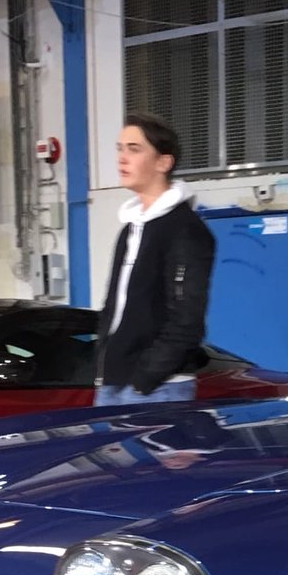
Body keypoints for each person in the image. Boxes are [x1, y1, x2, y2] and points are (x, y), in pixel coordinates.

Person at [95, 112, 215, 407]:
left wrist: (145, 378)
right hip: (113, 382)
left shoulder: (185, 230)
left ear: (163, 162)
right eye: (120, 148)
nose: (122, 158)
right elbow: (115, 306)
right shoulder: (130, 229)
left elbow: (187, 320)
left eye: (134, 149)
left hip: (157, 387)